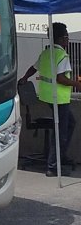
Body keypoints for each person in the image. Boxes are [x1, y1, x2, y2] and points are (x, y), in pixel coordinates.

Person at [18, 22, 79, 177]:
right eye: (66, 36)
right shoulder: (62, 55)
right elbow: (61, 79)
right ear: (61, 38)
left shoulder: (47, 53)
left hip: (47, 97)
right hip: (59, 98)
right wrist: (77, 84)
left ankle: (61, 156)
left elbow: (34, 67)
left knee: (70, 123)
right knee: (60, 132)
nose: (67, 39)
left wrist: (25, 78)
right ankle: (53, 166)